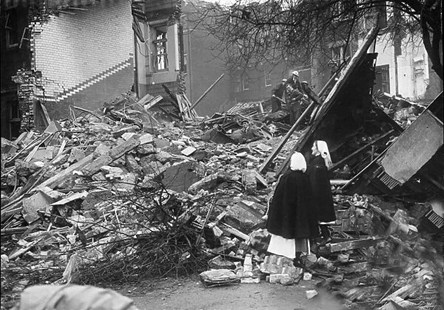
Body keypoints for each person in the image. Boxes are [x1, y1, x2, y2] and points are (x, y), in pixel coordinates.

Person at [266, 152, 319, 267]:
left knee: (287, 234)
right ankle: (299, 256)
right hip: (301, 215)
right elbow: (310, 200)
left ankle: (286, 257)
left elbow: (278, 198)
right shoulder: (305, 178)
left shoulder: (286, 177)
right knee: (299, 233)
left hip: (287, 213)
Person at [306, 140, 336, 245]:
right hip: (321, 194)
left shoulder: (316, 162)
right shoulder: (320, 161)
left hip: (316, 194)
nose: (311, 149)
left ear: (318, 149)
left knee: (317, 216)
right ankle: (325, 236)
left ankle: (321, 237)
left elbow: (313, 180)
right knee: (320, 217)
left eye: (314, 147)